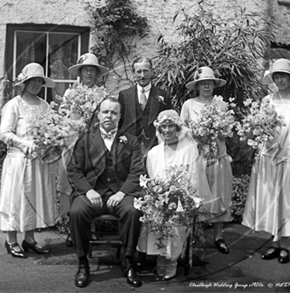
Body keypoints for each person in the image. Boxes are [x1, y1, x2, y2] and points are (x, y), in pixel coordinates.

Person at [66, 97, 145, 288]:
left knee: (133, 211)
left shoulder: (131, 141)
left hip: (121, 193)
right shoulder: (85, 140)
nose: (109, 116)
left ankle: (128, 261)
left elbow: (137, 171)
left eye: (114, 113)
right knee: (77, 212)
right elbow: (74, 170)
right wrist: (89, 191)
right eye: (105, 112)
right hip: (92, 192)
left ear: (119, 117)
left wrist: (123, 193)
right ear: (99, 115)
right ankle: (83, 263)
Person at [242, 58, 290, 264]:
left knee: (287, 203)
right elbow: (260, 131)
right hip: (267, 159)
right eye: (277, 76)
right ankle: (273, 243)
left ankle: (286, 246)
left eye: (284, 76)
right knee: (270, 202)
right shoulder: (267, 101)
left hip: (289, 159)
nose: (280, 80)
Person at [137, 110, 212, 280]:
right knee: (154, 215)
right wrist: (157, 198)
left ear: (178, 127)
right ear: (159, 129)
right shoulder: (153, 153)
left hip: (182, 200)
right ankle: (159, 256)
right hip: (159, 199)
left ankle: (171, 259)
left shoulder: (189, 150)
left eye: (171, 125)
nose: (167, 130)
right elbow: (151, 179)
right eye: (164, 126)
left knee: (175, 218)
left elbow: (193, 179)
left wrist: (179, 197)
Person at [0, 63, 57, 258]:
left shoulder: (44, 105)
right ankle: (11, 241)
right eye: (32, 81)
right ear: (25, 83)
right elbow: (4, 133)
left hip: (38, 162)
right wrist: (25, 144)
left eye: (39, 81)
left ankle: (30, 240)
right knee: (16, 199)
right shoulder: (14, 105)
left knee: (33, 199)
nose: (36, 85)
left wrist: (50, 141)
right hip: (18, 161)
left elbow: (50, 129)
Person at [57, 53, 109, 247]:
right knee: (71, 182)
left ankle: (92, 228)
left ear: (96, 73)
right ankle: (72, 228)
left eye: (92, 69)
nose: (89, 72)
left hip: (94, 144)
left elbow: (107, 118)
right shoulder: (71, 93)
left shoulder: (103, 94)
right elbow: (62, 116)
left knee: (92, 182)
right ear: (80, 72)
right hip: (72, 142)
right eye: (85, 69)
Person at [180, 66, 232, 255]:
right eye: (203, 83)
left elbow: (227, 131)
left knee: (218, 195)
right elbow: (181, 130)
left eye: (210, 83)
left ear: (214, 85)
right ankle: (194, 235)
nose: (207, 86)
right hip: (197, 157)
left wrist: (217, 129)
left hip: (217, 156)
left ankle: (218, 237)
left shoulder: (221, 105)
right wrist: (197, 132)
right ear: (198, 86)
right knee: (196, 196)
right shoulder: (189, 105)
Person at [118, 56, 173, 156]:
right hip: (129, 150)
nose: (142, 75)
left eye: (146, 71)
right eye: (138, 72)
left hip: (156, 148)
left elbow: (170, 122)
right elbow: (119, 123)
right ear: (134, 73)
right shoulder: (124, 96)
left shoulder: (163, 95)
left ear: (152, 72)